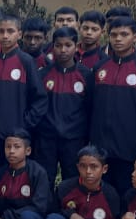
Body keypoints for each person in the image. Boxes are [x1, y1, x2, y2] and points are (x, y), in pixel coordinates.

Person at [0, 14, 48, 179]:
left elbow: (40, 99)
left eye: (10, 31)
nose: (5, 36)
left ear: (19, 34)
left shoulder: (26, 62)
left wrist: (24, 125)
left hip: (14, 139)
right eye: (1, 31)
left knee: (13, 180)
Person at [90, 16, 136, 197]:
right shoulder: (99, 67)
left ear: (135, 37)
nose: (118, 39)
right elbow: (90, 106)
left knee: (127, 196)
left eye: (124, 34)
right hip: (100, 148)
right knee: (101, 197)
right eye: (114, 34)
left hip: (129, 149)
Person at [36, 27, 93, 182]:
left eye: (68, 45)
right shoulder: (43, 74)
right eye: (58, 45)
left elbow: (89, 108)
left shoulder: (86, 75)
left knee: (72, 179)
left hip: (74, 139)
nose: (63, 50)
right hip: (46, 138)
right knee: (45, 178)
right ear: (52, 46)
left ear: (76, 46)